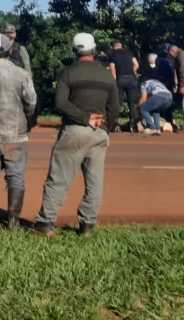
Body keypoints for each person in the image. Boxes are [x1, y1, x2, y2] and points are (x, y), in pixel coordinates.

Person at [34, 33, 120, 237]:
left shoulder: (68, 72)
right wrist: (104, 126)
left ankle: (45, 224)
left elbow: (61, 103)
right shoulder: (107, 75)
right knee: (95, 181)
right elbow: (115, 107)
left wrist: (83, 118)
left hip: (73, 131)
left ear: (75, 50)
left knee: (59, 179)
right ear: (93, 49)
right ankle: (87, 225)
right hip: (99, 133)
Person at [0, 34, 37, 230]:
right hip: (15, 133)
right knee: (15, 177)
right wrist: (28, 121)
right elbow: (31, 102)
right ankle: (13, 222)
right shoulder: (22, 74)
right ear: (10, 51)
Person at [108, 39, 140, 131]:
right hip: (131, 78)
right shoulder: (129, 52)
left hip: (120, 79)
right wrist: (130, 72)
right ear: (120, 44)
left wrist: (114, 80)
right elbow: (136, 65)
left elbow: (113, 69)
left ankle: (114, 125)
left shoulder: (113, 55)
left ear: (112, 46)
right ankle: (132, 125)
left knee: (117, 103)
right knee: (132, 103)